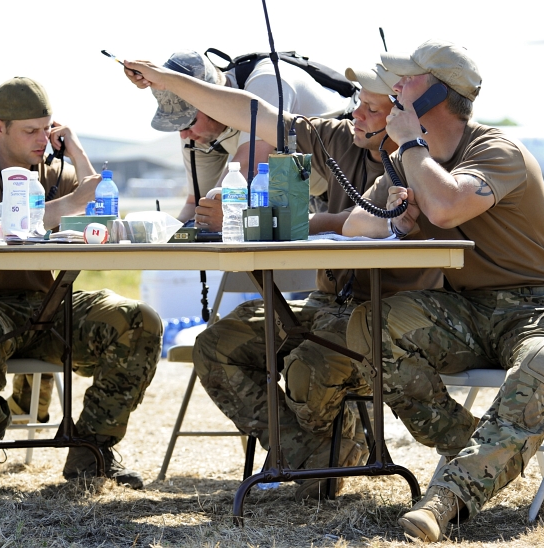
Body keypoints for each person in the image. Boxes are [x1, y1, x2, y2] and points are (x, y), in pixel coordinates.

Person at [123, 57, 442, 500]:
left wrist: (288, 220)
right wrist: (167, 81)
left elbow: (363, 220)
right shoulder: (338, 138)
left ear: (404, 117)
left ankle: (328, 459)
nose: (356, 114)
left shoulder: (425, 158)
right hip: (326, 303)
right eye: (358, 105)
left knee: (308, 363)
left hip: (385, 316)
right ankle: (312, 459)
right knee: (218, 346)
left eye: (371, 109)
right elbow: (256, 116)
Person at [340, 41, 544, 542]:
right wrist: (395, 218)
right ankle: (481, 448)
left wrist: (412, 150)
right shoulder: (409, 161)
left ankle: (449, 498)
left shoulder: (495, 150)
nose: (391, 90)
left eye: (404, 82)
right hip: (470, 310)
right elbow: (353, 227)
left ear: (438, 93)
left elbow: (448, 206)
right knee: (371, 326)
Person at [0, 76, 163, 489]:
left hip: (46, 306)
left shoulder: (56, 171)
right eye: (30, 131)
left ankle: (92, 451)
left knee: (139, 320)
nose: (42, 139)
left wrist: (76, 152)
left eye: (48, 128)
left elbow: (104, 217)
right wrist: (69, 203)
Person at [143, 50, 357, 230]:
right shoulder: (199, 132)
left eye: (187, 122)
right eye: (176, 125)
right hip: (308, 194)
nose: (182, 134)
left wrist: (217, 217)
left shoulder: (268, 81)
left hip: (354, 178)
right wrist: (164, 235)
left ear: (208, 103)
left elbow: (247, 170)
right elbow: (197, 204)